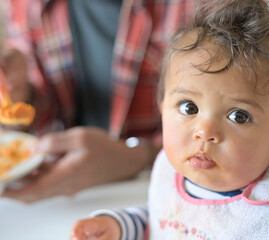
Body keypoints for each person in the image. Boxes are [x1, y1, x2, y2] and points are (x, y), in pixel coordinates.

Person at [70, 0, 269, 239]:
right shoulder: (174, 178)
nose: (204, 131)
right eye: (189, 107)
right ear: (162, 107)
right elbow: (165, 221)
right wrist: (116, 226)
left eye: (239, 116)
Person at [0, 0, 194, 203]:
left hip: (165, 195)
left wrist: (135, 157)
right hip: (60, 206)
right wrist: (20, 95)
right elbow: (42, 108)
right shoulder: (21, 4)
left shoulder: (197, 7)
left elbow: (216, 131)